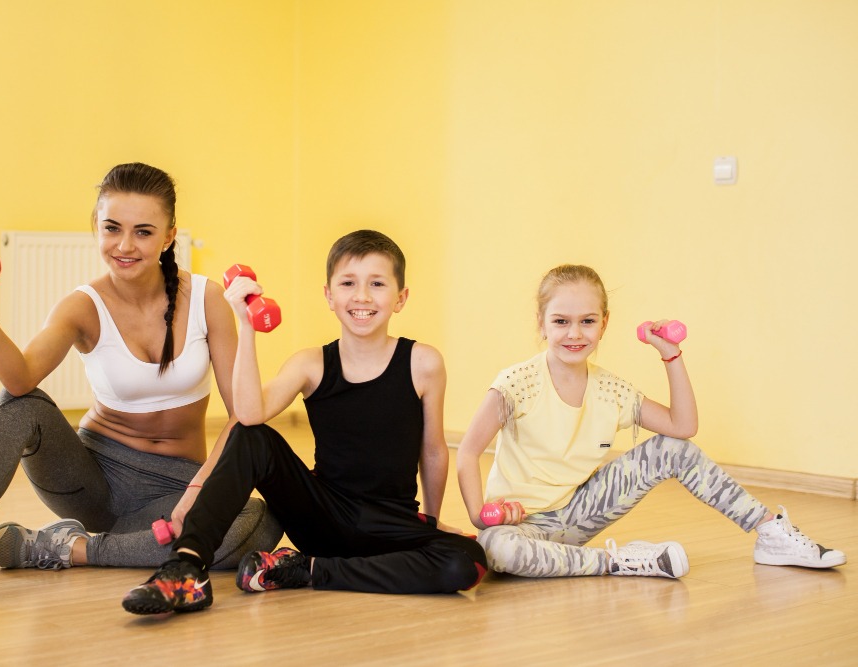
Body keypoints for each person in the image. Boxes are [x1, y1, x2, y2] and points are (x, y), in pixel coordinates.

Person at [0, 163, 281, 616]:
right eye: (111, 228)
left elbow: (243, 415)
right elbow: (19, 378)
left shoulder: (208, 300)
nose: (124, 246)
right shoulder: (82, 305)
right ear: (96, 227)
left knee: (259, 523)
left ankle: (66, 549)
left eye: (143, 232)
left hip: (174, 486)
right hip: (91, 479)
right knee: (20, 403)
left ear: (169, 236)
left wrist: (199, 491)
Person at [121, 229, 487, 615]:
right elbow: (248, 414)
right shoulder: (310, 363)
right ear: (329, 295)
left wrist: (429, 521)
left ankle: (306, 571)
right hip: (322, 515)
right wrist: (246, 325)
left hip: (390, 523)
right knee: (252, 435)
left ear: (400, 298)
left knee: (468, 560)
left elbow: (432, 451)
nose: (361, 296)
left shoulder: (423, 363)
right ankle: (186, 569)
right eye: (348, 283)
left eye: (376, 284)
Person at [457, 264, 846, 580]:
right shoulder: (516, 384)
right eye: (561, 321)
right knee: (497, 550)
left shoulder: (612, 390)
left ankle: (769, 532)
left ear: (604, 324)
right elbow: (469, 451)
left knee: (672, 449)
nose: (575, 333)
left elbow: (682, 427)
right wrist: (478, 514)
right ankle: (621, 562)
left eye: (587, 321)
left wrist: (671, 355)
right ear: (541, 324)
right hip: (518, 523)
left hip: (578, 515)